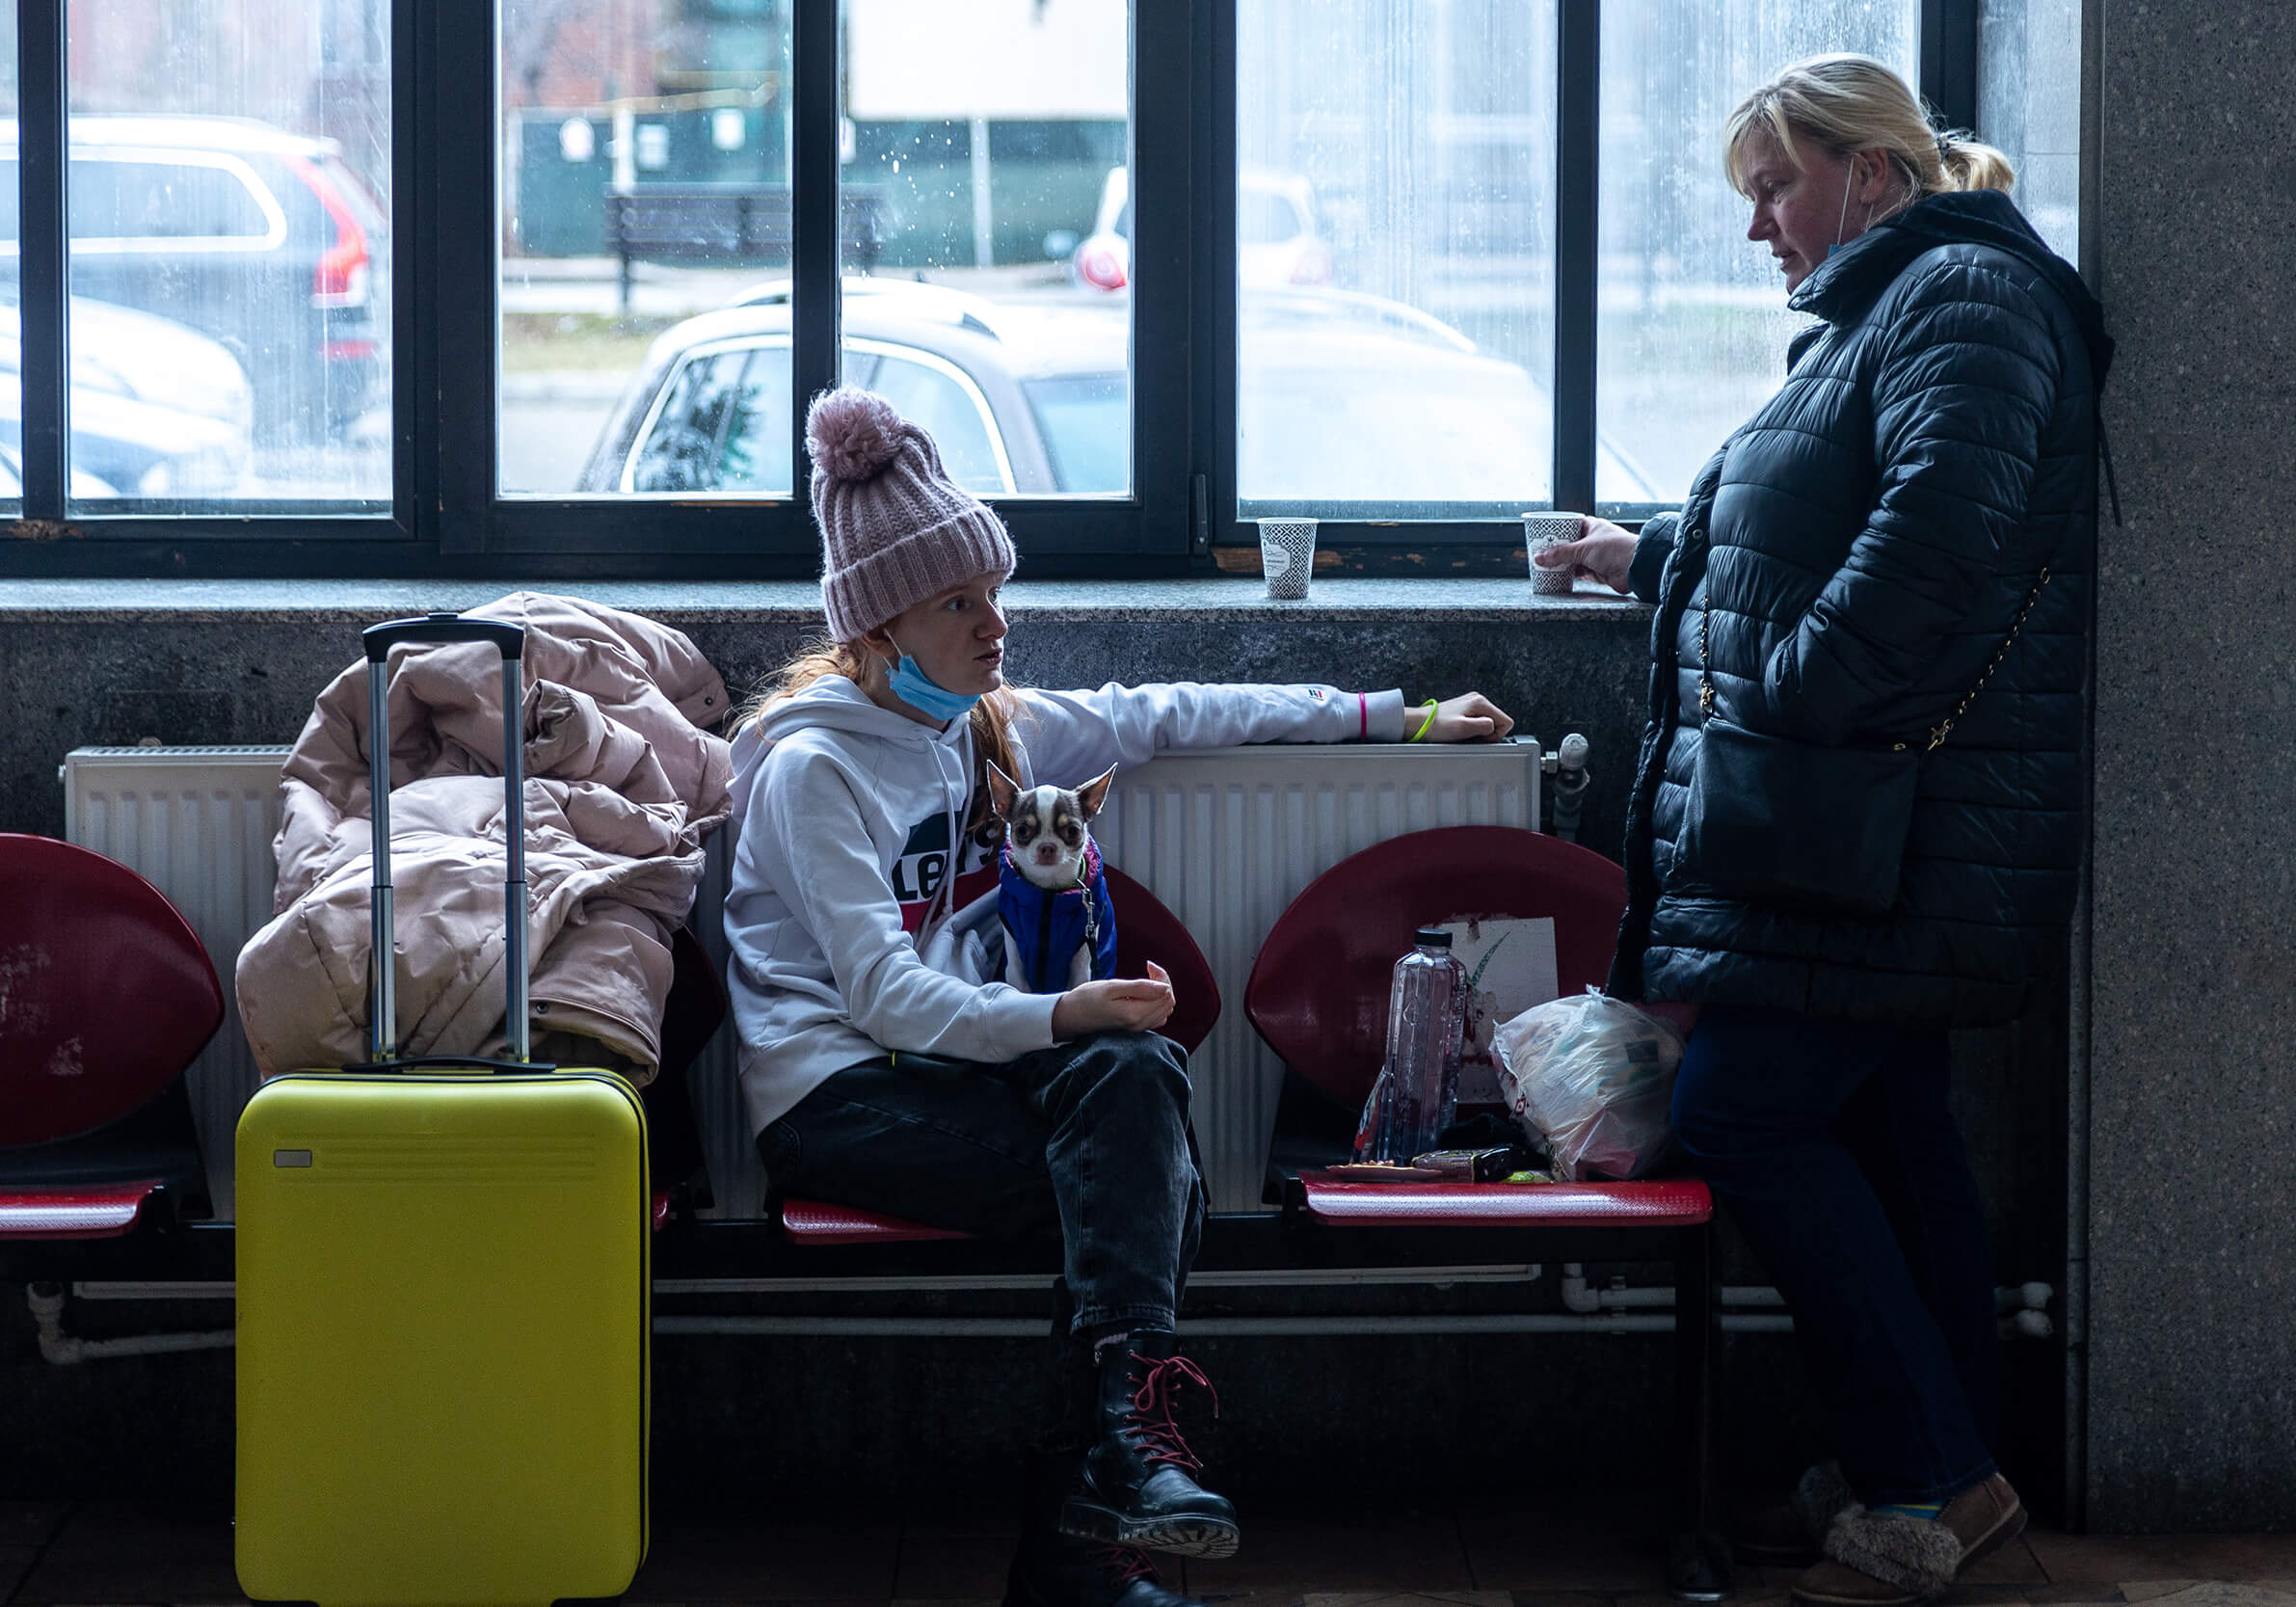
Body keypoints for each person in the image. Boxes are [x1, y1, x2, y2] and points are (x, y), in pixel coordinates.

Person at [723, 386, 1513, 1607]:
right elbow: (882, 1000)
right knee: (1151, 1184)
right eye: (959, 601)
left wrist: (1394, 716)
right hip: (836, 1093)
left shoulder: (985, 728)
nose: (996, 622)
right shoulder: (814, 769)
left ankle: (1116, 1468)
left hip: (953, 1070)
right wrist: (1064, 1012)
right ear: (880, 629)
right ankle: (1096, 1527)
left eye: (994, 590)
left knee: (1139, 1105)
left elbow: (1165, 709)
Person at [1535, 53, 2112, 1607]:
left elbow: (1933, 536)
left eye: (1771, 188)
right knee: (1887, 1119)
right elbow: (1786, 539)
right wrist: (1646, 558)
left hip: (1877, 830)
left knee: (1747, 1113)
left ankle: (1925, 1479)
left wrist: (1789, 692)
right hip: (1878, 832)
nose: (1758, 230)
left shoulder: (1967, 302)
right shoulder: (1900, 308)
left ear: (1870, 173)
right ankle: (1942, 1470)